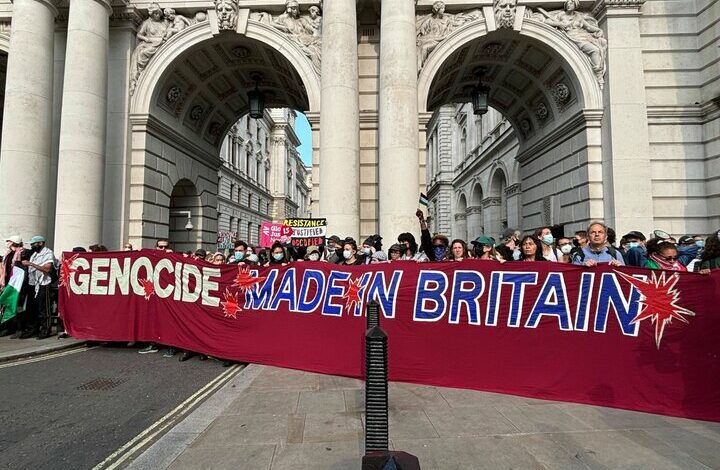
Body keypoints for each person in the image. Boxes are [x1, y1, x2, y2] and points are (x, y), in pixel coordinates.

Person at [21, 236, 56, 339]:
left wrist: (31, 263)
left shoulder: (48, 253)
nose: (32, 246)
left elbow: (47, 269)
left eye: (34, 244)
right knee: (32, 308)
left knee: (43, 308)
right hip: (33, 284)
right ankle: (33, 329)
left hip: (43, 284)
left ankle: (46, 330)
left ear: (41, 243)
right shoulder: (35, 254)